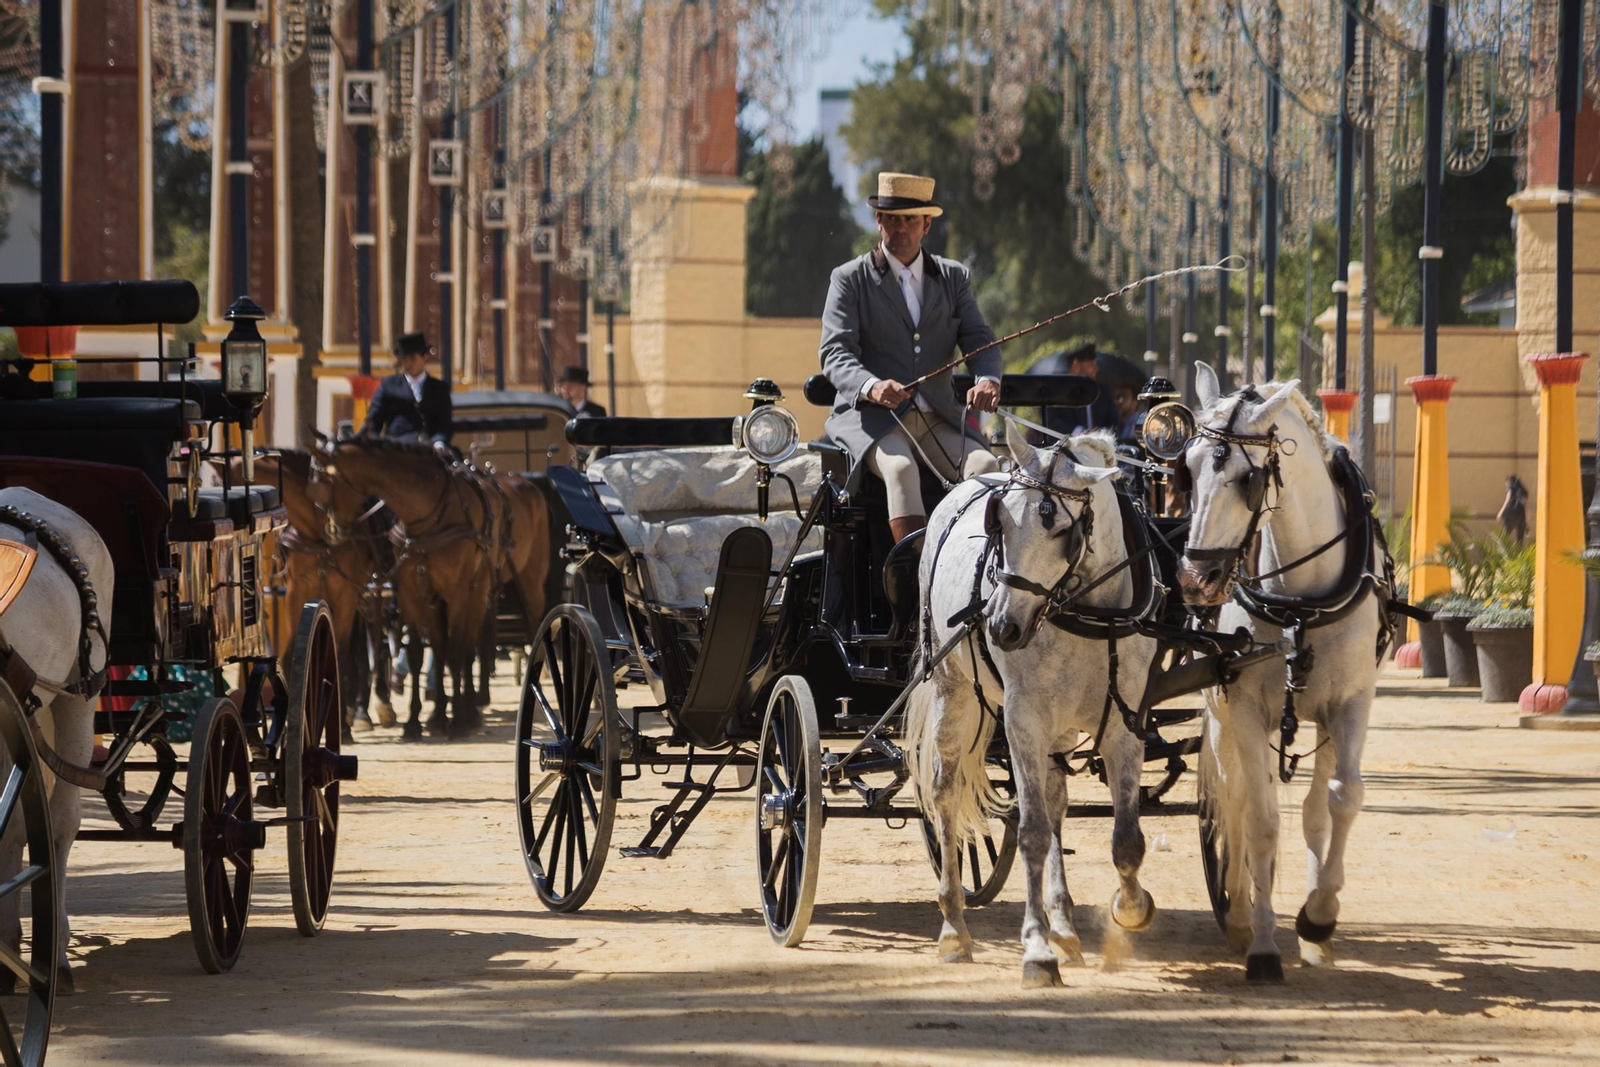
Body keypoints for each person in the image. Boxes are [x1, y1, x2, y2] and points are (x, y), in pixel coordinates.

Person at [818, 171, 1002, 544]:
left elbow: (978, 338)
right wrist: (871, 385)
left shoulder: (954, 277)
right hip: (874, 421)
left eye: (910, 219)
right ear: (878, 221)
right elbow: (834, 352)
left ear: (926, 224)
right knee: (901, 470)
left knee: (986, 465)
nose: (900, 228)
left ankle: (972, 567)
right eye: (891, 219)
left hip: (937, 417)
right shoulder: (849, 279)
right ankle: (913, 582)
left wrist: (987, 379)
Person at [361, 331, 453, 446]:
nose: (408, 363)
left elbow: (444, 425)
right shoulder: (388, 385)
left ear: (424, 357)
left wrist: (438, 442)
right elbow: (373, 421)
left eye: (412, 358)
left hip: (429, 449)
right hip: (397, 449)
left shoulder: (439, 388)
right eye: (404, 359)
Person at [1042, 342, 1120, 437]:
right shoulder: (1058, 390)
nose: (1096, 367)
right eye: (1091, 363)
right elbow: (1052, 422)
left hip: (1099, 445)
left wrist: (1100, 432)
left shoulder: (1102, 391)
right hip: (1068, 446)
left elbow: (1114, 423)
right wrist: (1080, 431)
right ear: (1076, 364)